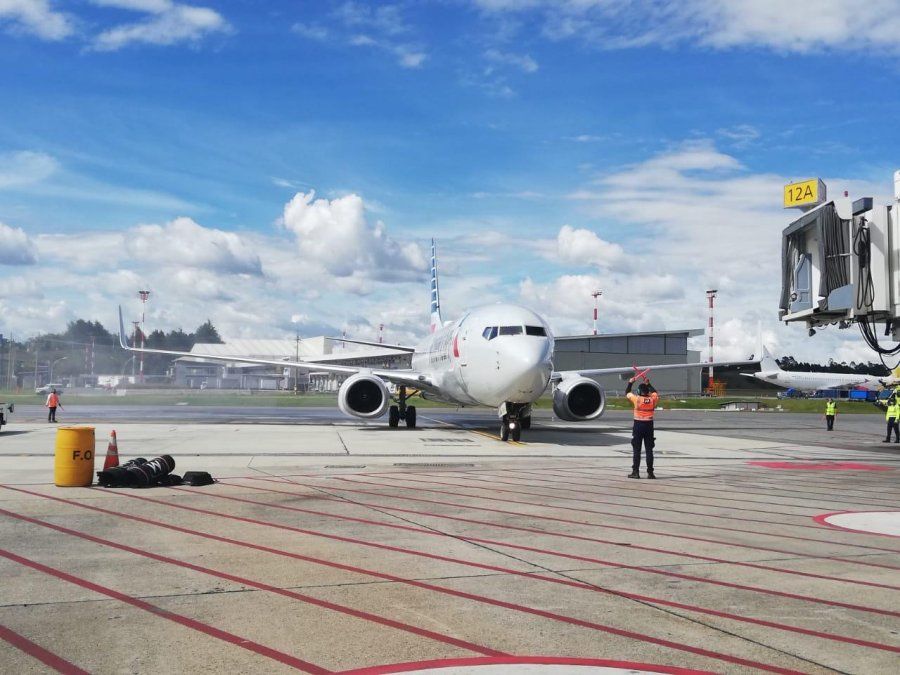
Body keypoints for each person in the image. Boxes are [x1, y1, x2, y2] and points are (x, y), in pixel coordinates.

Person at [625, 376, 659, 479]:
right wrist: (648, 384)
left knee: (637, 450)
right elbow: (655, 393)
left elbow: (627, 393)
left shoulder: (637, 399)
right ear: (647, 391)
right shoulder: (653, 400)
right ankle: (650, 473)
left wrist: (630, 383)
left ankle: (636, 472)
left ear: (639, 391)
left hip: (638, 425)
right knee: (649, 450)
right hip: (649, 425)